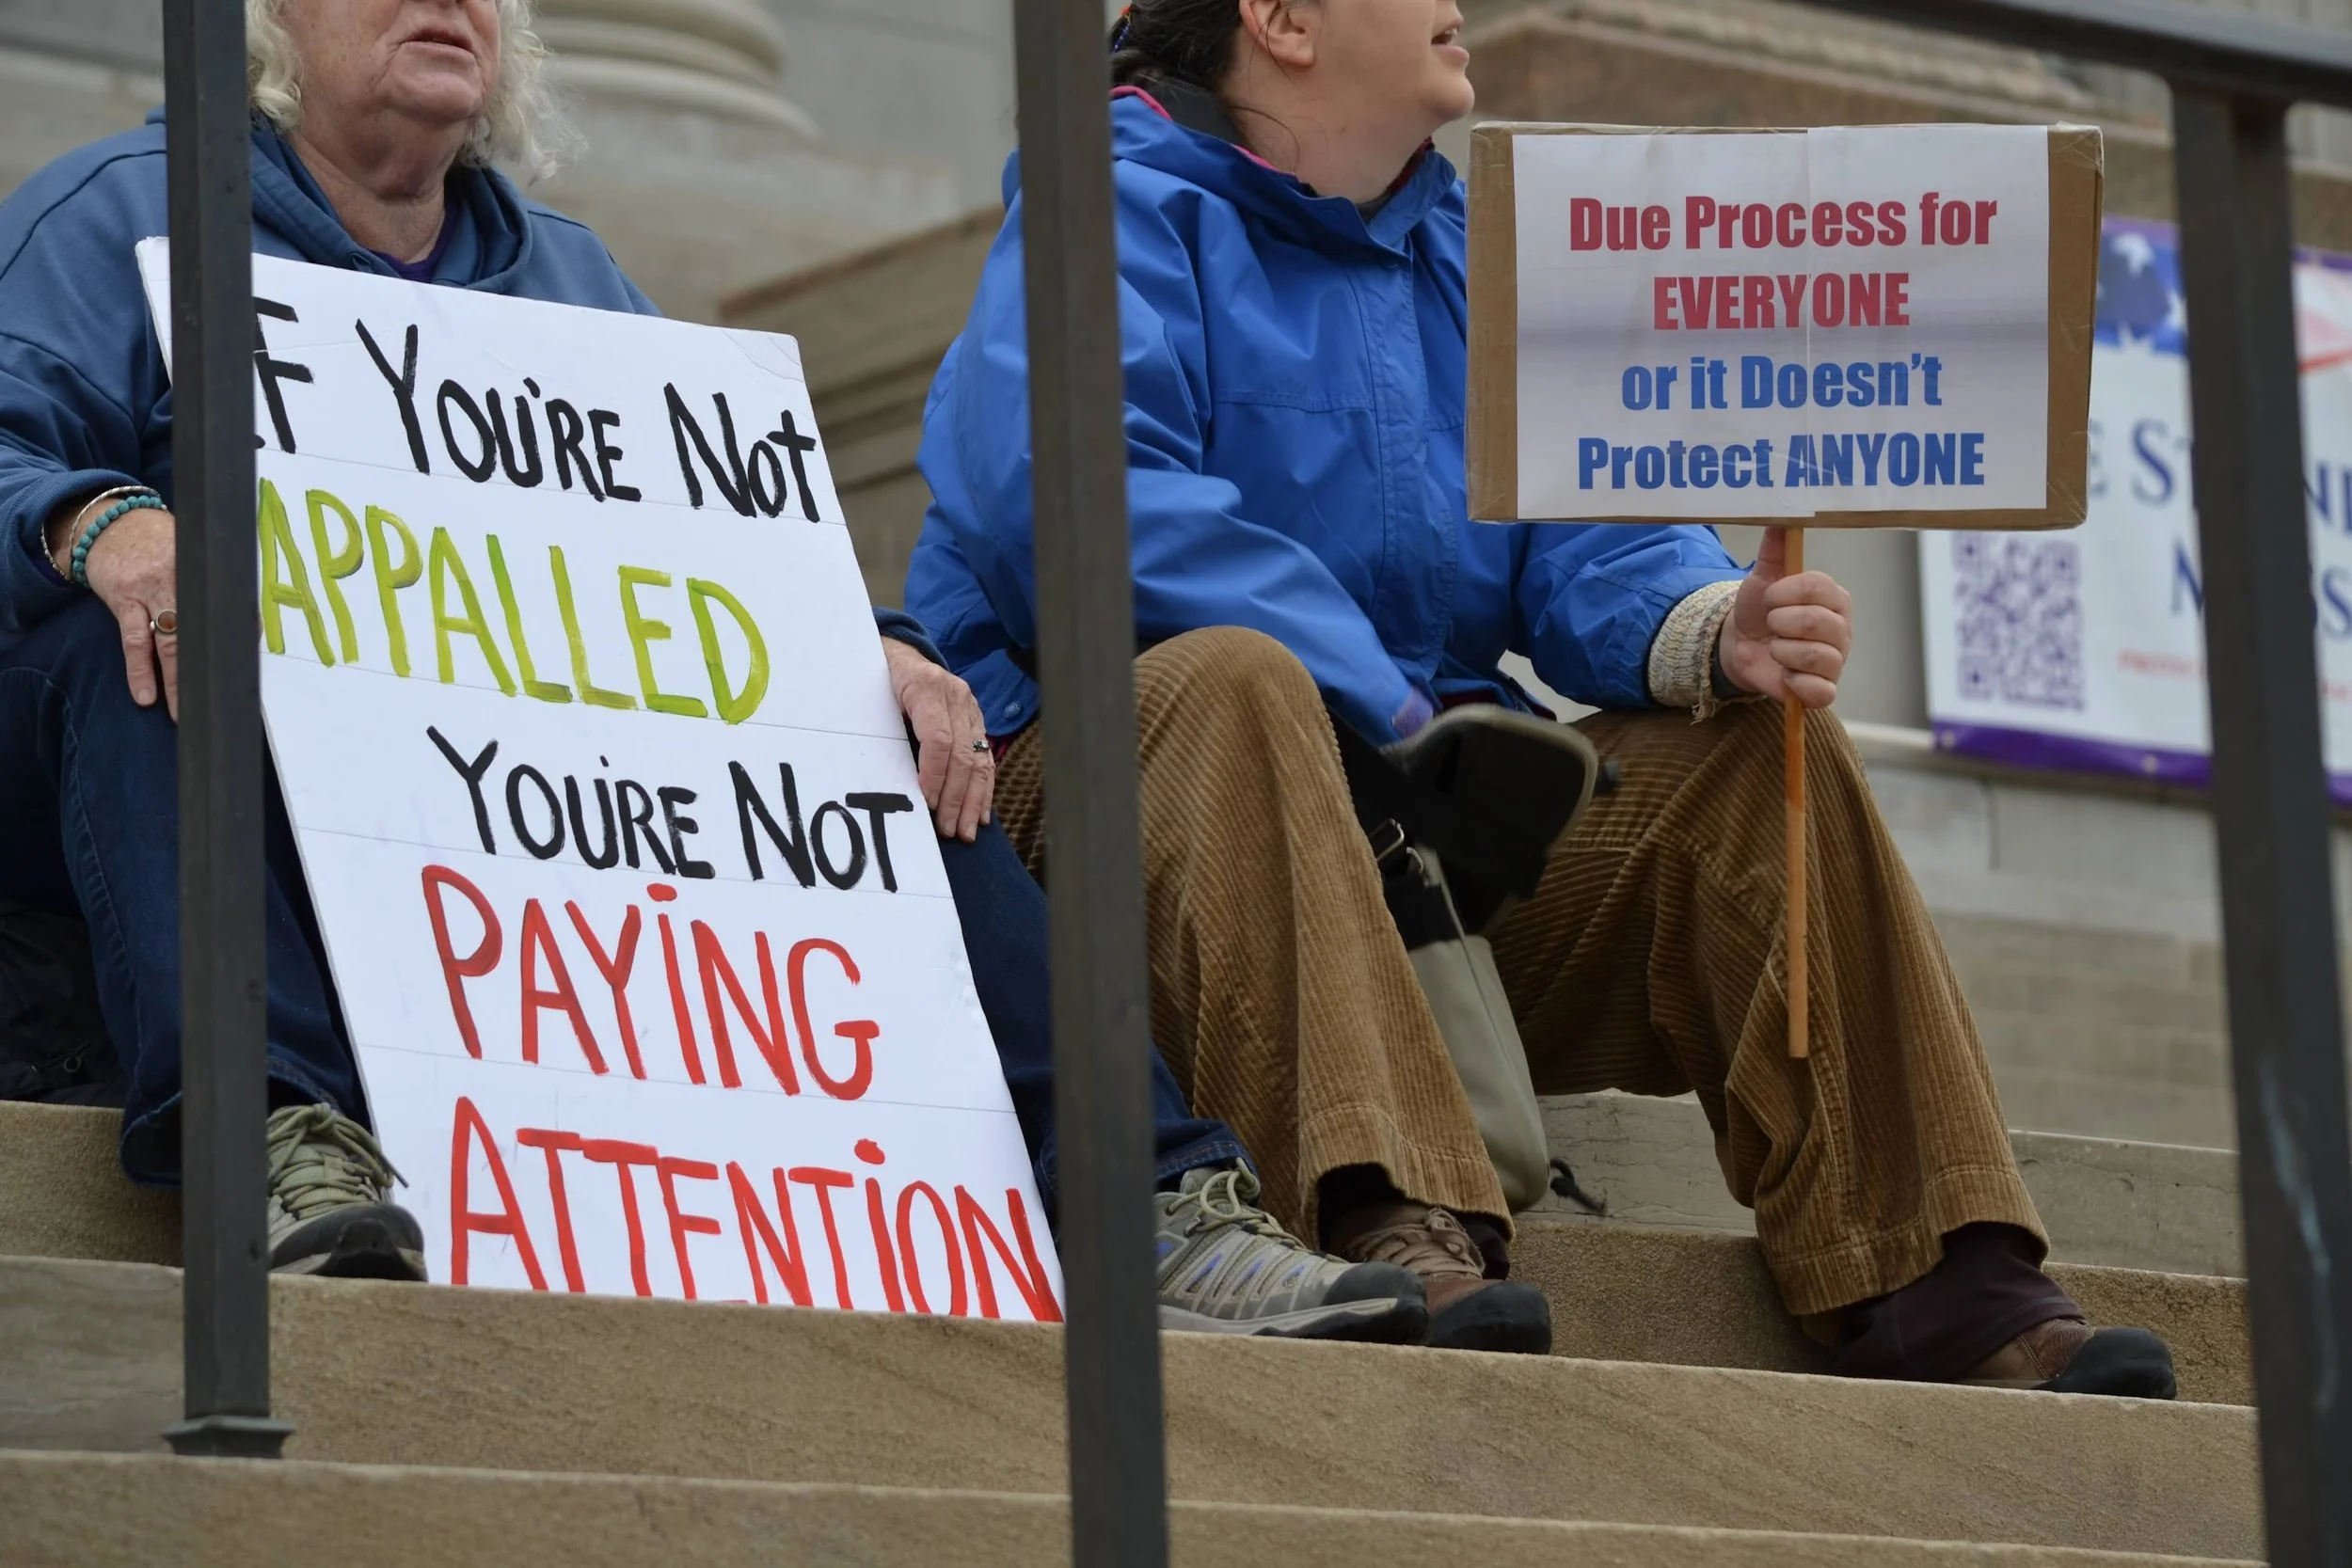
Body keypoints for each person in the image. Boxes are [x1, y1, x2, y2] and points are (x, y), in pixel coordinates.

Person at [0, 0, 1428, 1347]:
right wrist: (95, 520)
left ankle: (1154, 1195)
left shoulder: (571, 279)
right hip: (173, 800)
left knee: (878, 727)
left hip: (495, 826)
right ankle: (269, 1131)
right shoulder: (116, 216)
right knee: (134, 629)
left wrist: (882, 648)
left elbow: (731, 560)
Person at [906, 0, 2178, 1393]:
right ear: (1278, 20)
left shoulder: (1474, 253)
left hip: (1412, 865)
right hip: (1110, 850)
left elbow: (1596, 524)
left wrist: (1713, 628)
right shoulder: (1105, 213)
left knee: (1751, 749)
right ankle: (1394, 1208)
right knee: (1240, 682)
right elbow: (1073, 502)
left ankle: (1937, 1273)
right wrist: (1382, 713)